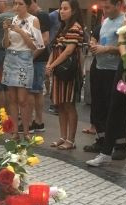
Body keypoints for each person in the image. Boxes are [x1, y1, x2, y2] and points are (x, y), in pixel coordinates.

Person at [83, 0, 125, 160]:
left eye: (108, 7)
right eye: (103, 8)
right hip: (100, 67)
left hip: (114, 70)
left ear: (118, 5)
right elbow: (101, 40)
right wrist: (95, 45)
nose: (105, 11)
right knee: (98, 106)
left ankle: (120, 144)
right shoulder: (105, 21)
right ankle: (101, 139)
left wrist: (107, 49)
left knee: (114, 108)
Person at [2, 0, 44, 140]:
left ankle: (26, 131)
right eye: (15, 4)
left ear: (27, 5)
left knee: (23, 99)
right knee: (12, 98)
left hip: (24, 58)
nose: (17, 7)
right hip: (10, 58)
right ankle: (15, 132)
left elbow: (37, 45)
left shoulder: (34, 20)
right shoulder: (12, 19)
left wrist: (20, 31)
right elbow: (6, 44)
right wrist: (6, 31)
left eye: (20, 4)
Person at [45, 0, 84, 150]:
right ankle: (62, 137)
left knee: (69, 104)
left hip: (68, 72)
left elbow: (68, 51)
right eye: (61, 8)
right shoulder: (63, 28)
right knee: (60, 105)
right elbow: (55, 49)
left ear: (73, 11)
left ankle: (71, 139)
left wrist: (52, 65)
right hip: (58, 71)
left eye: (65, 8)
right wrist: (49, 65)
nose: (61, 11)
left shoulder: (75, 27)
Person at [27, 0, 51, 133]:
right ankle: (36, 121)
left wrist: (31, 56)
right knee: (34, 90)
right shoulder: (33, 17)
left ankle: (36, 121)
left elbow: (45, 40)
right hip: (34, 58)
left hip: (38, 59)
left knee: (34, 90)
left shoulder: (41, 15)